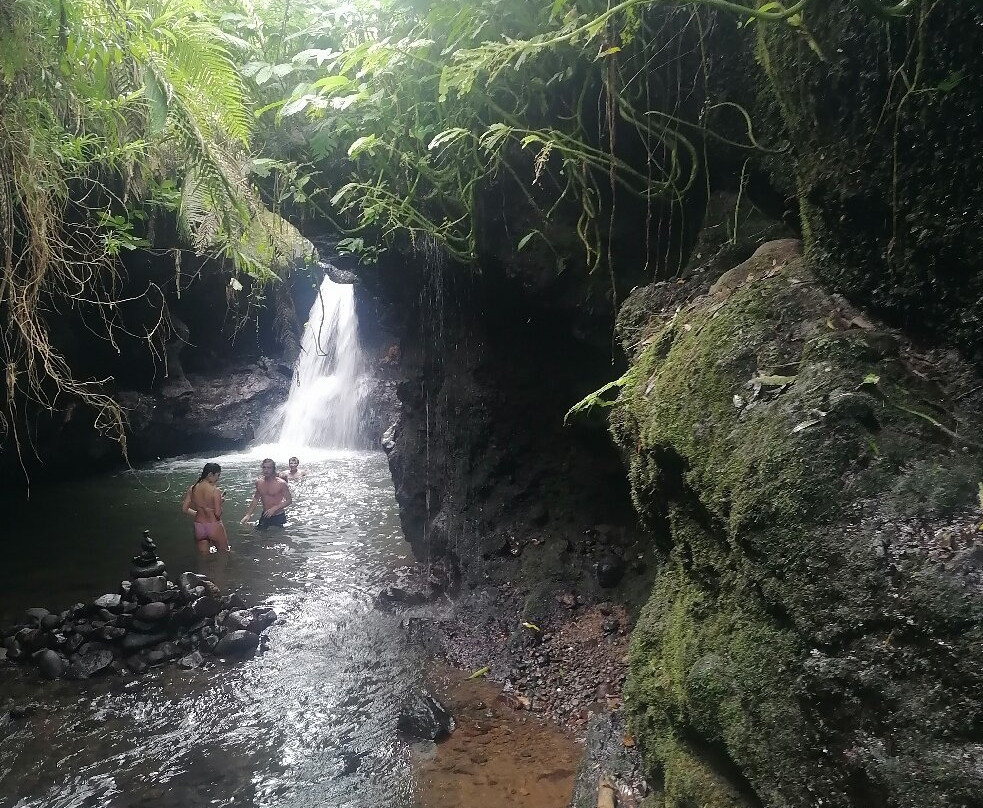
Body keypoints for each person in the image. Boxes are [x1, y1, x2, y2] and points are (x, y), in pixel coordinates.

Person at [182, 462, 230, 553]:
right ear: (210, 474)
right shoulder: (215, 490)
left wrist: (197, 513)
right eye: (218, 475)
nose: (218, 479)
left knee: (203, 559)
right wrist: (220, 502)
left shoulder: (193, 488)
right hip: (213, 525)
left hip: (199, 526)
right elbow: (218, 513)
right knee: (225, 553)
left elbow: (184, 509)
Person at [240, 458, 292, 529]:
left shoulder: (281, 483)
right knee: (259, 536)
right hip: (265, 515)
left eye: (269, 468)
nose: (266, 470)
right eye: (264, 467)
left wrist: (274, 508)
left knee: (278, 538)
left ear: (273, 469)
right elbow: (256, 498)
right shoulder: (259, 482)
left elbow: (289, 500)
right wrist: (248, 514)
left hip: (278, 516)